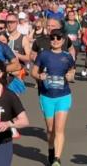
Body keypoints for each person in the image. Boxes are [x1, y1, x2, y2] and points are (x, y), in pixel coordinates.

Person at [31, 29, 76, 166]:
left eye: (58, 38)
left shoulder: (67, 56)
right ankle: (51, 149)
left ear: (63, 41)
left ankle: (57, 158)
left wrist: (71, 75)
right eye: (53, 38)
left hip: (63, 95)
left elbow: (72, 70)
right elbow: (33, 71)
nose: (55, 40)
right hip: (46, 96)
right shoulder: (44, 54)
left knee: (59, 129)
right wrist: (39, 76)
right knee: (50, 130)